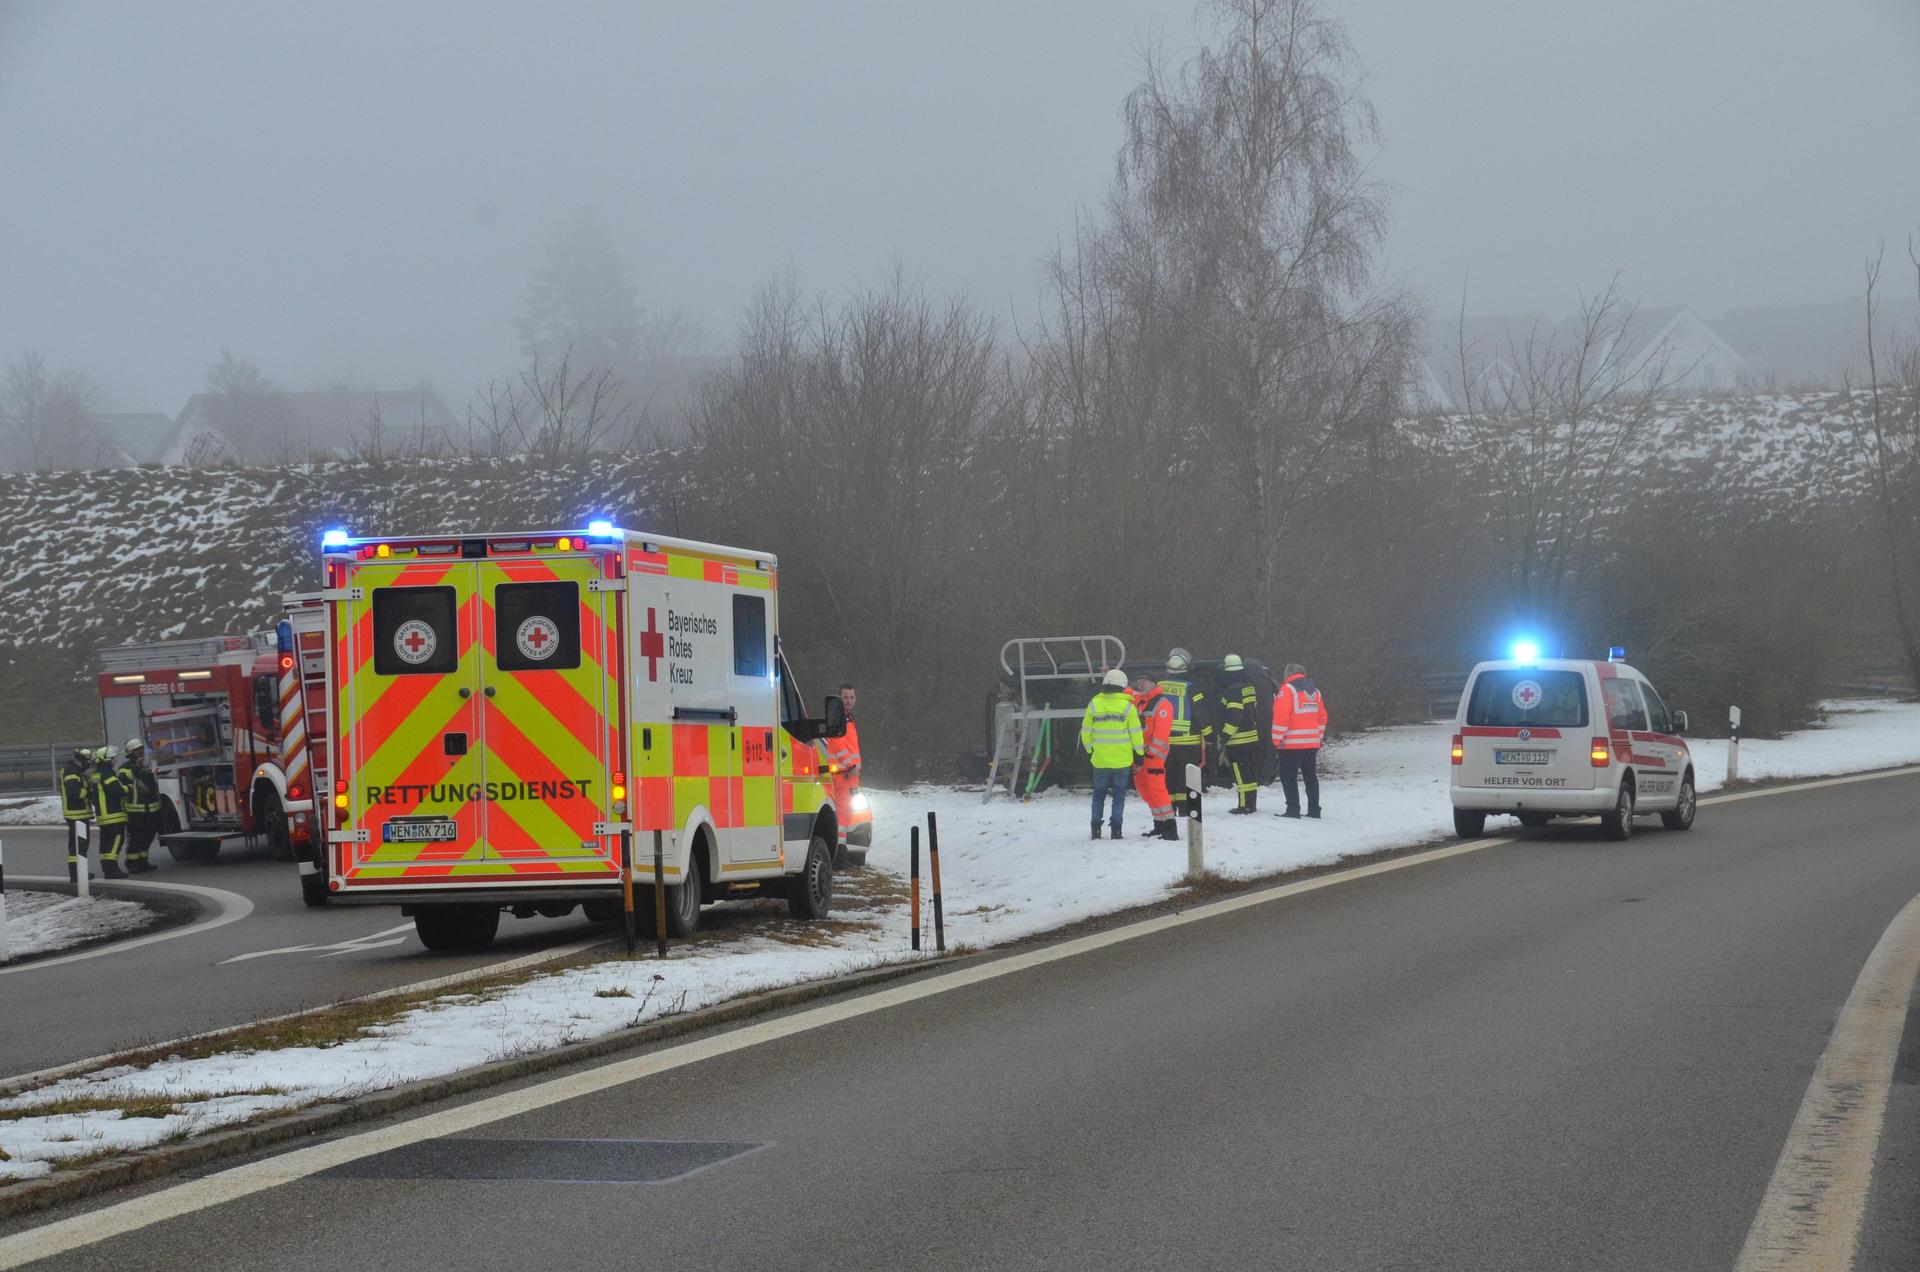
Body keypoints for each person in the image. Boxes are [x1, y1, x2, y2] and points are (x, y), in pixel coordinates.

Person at [1080, 669, 1143, 839]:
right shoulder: (1128, 706)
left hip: (1100, 760)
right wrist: (1139, 754)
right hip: (1122, 761)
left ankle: (1095, 829)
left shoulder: (1094, 703)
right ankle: (1116, 830)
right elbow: (1136, 733)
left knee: (1098, 795)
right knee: (1119, 796)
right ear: (1123, 686)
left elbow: (1085, 731)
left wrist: (1089, 749)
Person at [1157, 648, 1212, 817]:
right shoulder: (1192, 689)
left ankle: (1170, 809)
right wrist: (1209, 735)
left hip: (1164, 743)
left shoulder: (1159, 688)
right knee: (1188, 778)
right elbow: (1201, 713)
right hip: (1189, 742)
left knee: (1169, 778)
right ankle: (1190, 811)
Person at [1270, 662, 1329, 819]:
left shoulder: (1287, 690)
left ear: (1287, 674)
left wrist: (1276, 740)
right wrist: (1318, 736)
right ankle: (1314, 810)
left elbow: (1281, 717)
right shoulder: (1315, 692)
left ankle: (1293, 809)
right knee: (1310, 776)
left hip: (1291, 744)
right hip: (1311, 743)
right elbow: (1322, 717)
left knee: (1288, 776)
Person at [1131, 676, 1179, 840]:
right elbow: (1125, 692)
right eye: (1139, 680)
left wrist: (1150, 752)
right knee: (1145, 790)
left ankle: (1170, 828)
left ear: (1153, 683)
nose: (1140, 683)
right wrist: (1108, 675)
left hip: (1153, 755)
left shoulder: (1162, 703)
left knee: (1157, 790)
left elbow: (1161, 733)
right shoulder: (1140, 700)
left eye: (1144, 680)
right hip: (1141, 755)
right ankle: (1159, 824)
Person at [1216, 654, 1263, 814]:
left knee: (1241, 774)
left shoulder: (1233, 690)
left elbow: (1235, 716)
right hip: (1251, 737)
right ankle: (1251, 803)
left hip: (1238, 740)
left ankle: (1244, 806)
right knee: (1249, 773)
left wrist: (1224, 737)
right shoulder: (1248, 686)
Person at [825, 682, 862, 858]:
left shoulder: (847, 718)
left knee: (846, 812)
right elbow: (840, 747)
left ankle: (841, 850)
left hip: (849, 774)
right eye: (845, 697)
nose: (849, 701)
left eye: (851, 697)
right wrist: (851, 766)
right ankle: (839, 854)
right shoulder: (839, 719)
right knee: (843, 811)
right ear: (840, 698)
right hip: (845, 774)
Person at [121, 738, 160, 874]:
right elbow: (126, 780)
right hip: (135, 809)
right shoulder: (126, 768)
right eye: (138, 750)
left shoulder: (147, 764)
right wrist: (138, 767)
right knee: (135, 836)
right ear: (131, 753)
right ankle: (132, 862)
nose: (141, 752)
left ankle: (143, 861)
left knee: (148, 835)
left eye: (142, 749)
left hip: (151, 807)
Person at [92, 745, 130, 879]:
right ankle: (112, 870)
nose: (115, 760)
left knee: (105, 843)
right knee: (116, 842)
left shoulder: (96, 774)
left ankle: (107, 868)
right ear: (107, 760)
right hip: (113, 815)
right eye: (113, 758)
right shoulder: (108, 774)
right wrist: (128, 788)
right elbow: (116, 791)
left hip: (103, 816)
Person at [60, 746, 93, 886]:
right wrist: (89, 791)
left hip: (79, 814)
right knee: (77, 846)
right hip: (76, 815)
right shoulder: (72, 773)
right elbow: (74, 794)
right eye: (88, 762)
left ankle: (80, 872)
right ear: (83, 760)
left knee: (81, 845)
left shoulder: (76, 772)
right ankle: (76, 874)